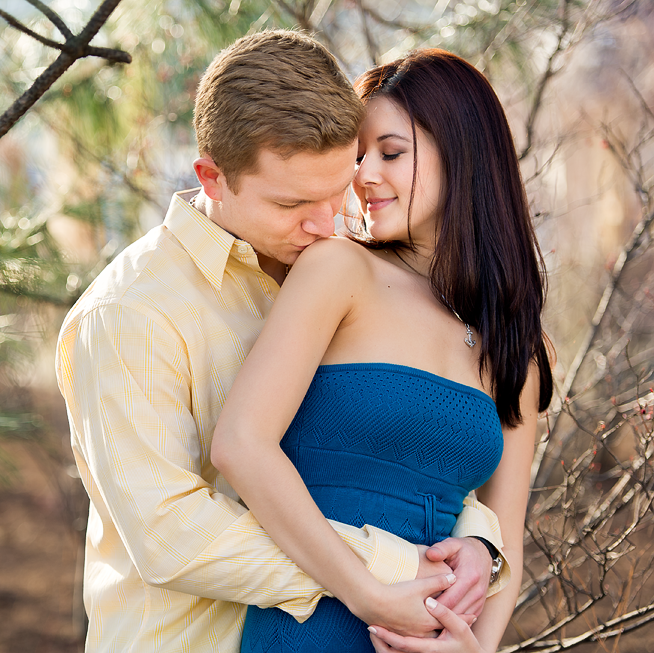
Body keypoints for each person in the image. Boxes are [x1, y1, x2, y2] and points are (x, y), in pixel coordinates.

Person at [56, 32, 508, 653]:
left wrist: (481, 542)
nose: (326, 224)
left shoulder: (335, 270)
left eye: (336, 191)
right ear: (212, 179)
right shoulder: (130, 313)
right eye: (293, 202)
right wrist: (385, 566)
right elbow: (172, 533)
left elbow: (394, 445)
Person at [210, 48, 554, 653]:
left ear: (464, 158)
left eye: (390, 153)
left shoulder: (517, 348)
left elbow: (509, 545)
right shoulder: (339, 271)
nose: (364, 176)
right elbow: (241, 445)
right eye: (359, 156)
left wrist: (473, 647)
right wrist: (364, 591)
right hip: (313, 626)